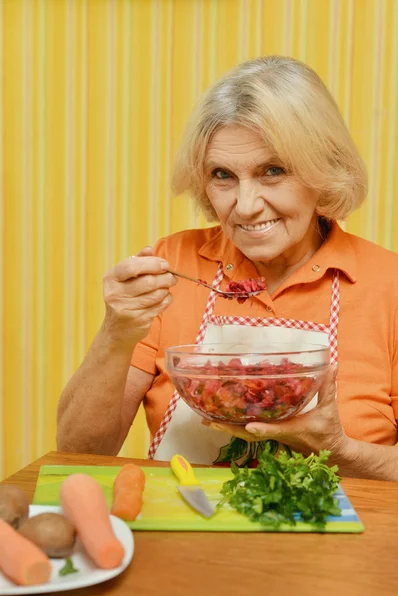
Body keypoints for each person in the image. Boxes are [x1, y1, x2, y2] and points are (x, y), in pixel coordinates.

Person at [56, 55, 398, 480]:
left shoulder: (389, 286)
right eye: (223, 175)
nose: (246, 206)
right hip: (187, 528)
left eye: (273, 171)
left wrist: (338, 449)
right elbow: (79, 453)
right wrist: (116, 331)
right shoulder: (174, 263)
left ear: (323, 169)